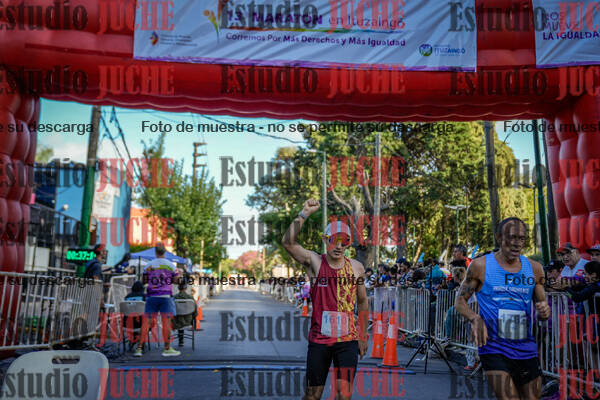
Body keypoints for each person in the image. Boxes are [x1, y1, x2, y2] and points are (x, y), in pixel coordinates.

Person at [454, 217, 550, 400]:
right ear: (499, 238)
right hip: (493, 348)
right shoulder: (480, 266)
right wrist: (475, 318)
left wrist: (544, 311)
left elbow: (542, 310)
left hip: (525, 348)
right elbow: (459, 301)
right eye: (511, 237)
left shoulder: (535, 269)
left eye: (521, 238)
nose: (517, 243)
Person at [282, 199, 369, 400]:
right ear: (325, 239)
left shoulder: (357, 267)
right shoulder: (315, 261)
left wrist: (363, 335)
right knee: (313, 395)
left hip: (347, 340)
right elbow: (288, 243)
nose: (338, 246)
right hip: (320, 340)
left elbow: (363, 301)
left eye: (344, 242)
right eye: (334, 240)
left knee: (343, 395)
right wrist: (304, 213)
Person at [134, 244, 181, 357]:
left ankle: (139, 348)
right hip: (166, 297)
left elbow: (144, 281)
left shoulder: (148, 265)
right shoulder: (171, 265)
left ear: (155, 252)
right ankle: (167, 348)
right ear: (165, 252)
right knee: (166, 323)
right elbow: (177, 281)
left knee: (146, 322)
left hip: (152, 296)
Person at [172, 279, 197, 348]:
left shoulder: (174, 298)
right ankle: (181, 341)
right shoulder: (190, 298)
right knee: (185, 316)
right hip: (188, 321)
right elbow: (195, 312)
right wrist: (194, 318)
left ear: (178, 288)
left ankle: (181, 341)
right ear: (186, 288)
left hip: (176, 322)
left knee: (179, 316)